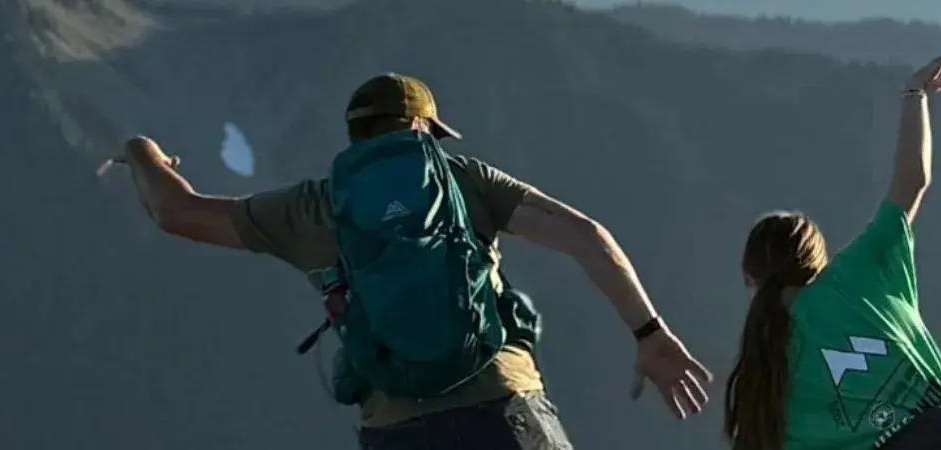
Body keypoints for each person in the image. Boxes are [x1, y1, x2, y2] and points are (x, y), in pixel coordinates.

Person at [112, 73, 713, 450]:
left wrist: (142, 155)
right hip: (506, 410)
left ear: (355, 139)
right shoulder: (464, 180)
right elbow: (586, 235)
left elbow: (178, 214)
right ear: (425, 130)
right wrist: (649, 332)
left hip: (397, 429)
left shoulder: (313, 208)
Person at [722, 35, 941, 450]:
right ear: (817, 259)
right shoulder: (858, 273)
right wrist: (916, 92)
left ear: (748, 277)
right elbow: (913, 180)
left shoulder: (765, 381)